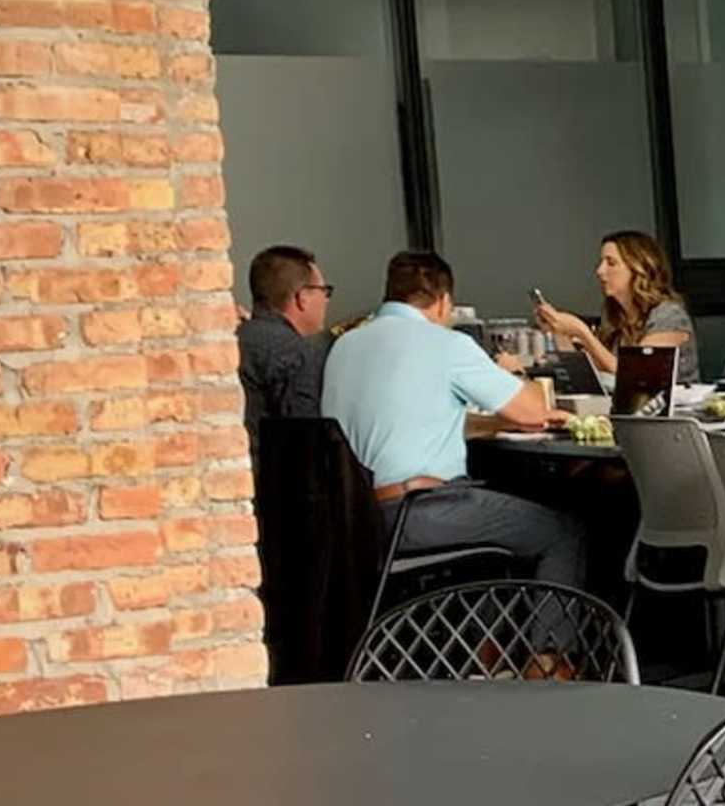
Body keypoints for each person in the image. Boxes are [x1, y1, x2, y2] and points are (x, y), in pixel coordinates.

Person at [323, 248, 583, 588]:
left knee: (496, 520)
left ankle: (488, 641)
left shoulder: (344, 346)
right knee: (564, 532)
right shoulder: (446, 343)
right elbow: (535, 410)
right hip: (420, 513)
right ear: (444, 302)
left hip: (355, 518)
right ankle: (548, 644)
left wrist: (495, 424)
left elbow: (408, 420)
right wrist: (513, 372)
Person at [535, 229, 691, 385]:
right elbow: (590, 374)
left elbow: (635, 376)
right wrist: (558, 332)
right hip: (624, 406)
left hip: (675, 407)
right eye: (601, 262)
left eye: (611, 263)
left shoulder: (670, 316)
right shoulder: (616, 316)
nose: (600, 271)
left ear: (639, 268)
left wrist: (583, 332)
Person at [236, 243, 333, 433]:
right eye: (324, 291)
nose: (326, 300)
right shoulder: (297, 353)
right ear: (302, 297)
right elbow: (305, 437)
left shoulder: (235, 340)